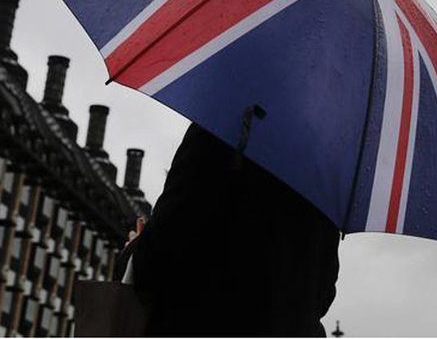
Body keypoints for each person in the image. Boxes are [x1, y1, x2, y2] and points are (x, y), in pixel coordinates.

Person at [121, 123, 340, 337]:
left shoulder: (224, 124)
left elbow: (162, 252)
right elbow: (323, 295)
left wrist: (135, 247)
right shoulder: (329, 168)